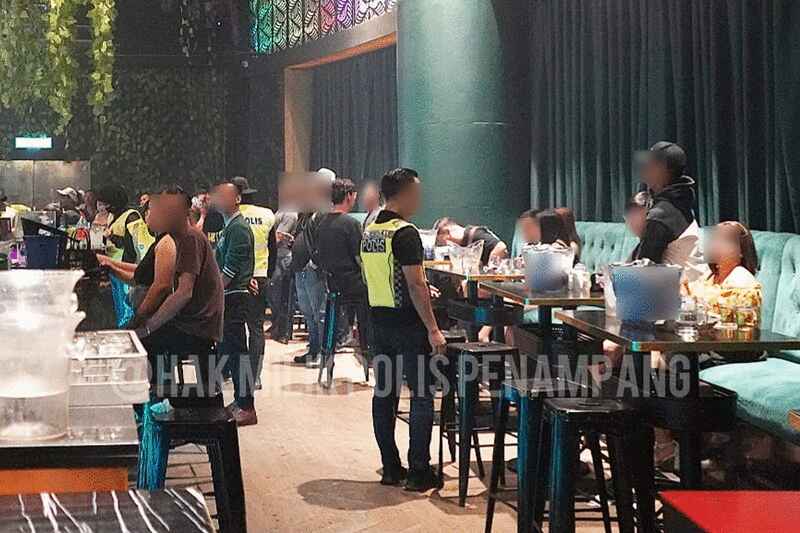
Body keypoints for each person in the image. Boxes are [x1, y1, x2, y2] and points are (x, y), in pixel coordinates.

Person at [362, 167, 446, 491]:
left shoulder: (370, 230)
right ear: (405, 194)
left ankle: (390, 467)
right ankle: (419, 471)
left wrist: (421, 288)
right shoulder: (406, 232)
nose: (419, 199)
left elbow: (379, 275)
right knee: (422, 395)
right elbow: (414, 283)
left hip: (378, 323)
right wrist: (433, 329)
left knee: (384, 395)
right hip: (409, 327)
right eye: (417, 193)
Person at [133, 185, 223, 404]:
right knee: (146, 338)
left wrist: (148, 324)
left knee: (143, 342)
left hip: (198, 325)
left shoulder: (189, 238)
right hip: (193, 322)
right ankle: (164, 398)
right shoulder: (179, 238)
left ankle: (159, 402)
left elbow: (183, 293)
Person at [211, 181, 257, 425]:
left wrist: (213, 293)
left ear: (237, 199)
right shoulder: (230, 227)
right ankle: (241, 401)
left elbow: (230, 269)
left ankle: (247, 405)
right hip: (230, 295)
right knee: (233, 352)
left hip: (234, 297)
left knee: (239, 354)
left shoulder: (238, 228)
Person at [633, 141, 707, 280]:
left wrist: (606, 280)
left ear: (661, 168)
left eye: (649, 161)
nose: (643, 166)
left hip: (680, 290)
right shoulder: (678, 203)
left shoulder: (662, 214)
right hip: (689, 285)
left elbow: (643, 272)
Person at [315, 178, 371, 362]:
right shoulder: (351, 224)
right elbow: (359, 258)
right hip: (353, 285)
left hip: (331, 283)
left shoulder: (321, 222)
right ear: (348, 196)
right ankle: (367, 351)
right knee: (368, 307)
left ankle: (328, 354)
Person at [231, 176, 276, 387]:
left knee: (233, 327)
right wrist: (268, 275)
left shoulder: (229, 216)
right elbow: (272, 249)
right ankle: (255, 376)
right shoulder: (267, 215)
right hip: (260, 276)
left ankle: (233, 372)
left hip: (234, 279)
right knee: (256, 328)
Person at [97, 201, 176, 320]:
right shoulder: (159, 240)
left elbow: (161, 286)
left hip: (152, 318)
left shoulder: (166, 242)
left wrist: (139, 317)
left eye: (150, 210)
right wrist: (110, 265)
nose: (146, 214)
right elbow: (141, 272)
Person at [97, 185, 141, 327]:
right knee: (119, 308)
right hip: (114, 269)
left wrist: (113, 237)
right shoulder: (112, 216)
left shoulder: (131, 217)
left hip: (126, 269)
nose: (104, 207)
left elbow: (133, 245)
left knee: (127, 308)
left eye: (106, 203)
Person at [291, 209, 325, 365]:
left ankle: (322, 353)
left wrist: (314, 263)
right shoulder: (303, 217)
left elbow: (323, 240)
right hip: (300, 269)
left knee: (319, 314)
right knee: (308, 313)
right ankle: (313, 349)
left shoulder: (321, 215)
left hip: (313, 271)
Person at [433, 217, 508, 265]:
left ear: (447, 233)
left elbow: (501, 247)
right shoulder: (464, 243)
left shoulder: (476, 234)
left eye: (440, 241)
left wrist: (490, 268)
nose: (445, 244)